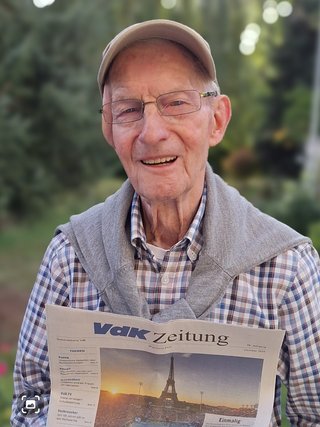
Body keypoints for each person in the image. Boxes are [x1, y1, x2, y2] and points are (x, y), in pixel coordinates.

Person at [11, 19, 320, 426]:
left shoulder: (286, 268)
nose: (152, 132)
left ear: (217, 120)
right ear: (109, 128)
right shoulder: (69, 257)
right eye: (128, 110)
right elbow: (28, 399)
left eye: (177, 103)